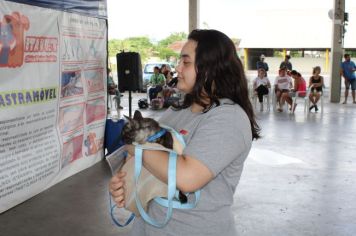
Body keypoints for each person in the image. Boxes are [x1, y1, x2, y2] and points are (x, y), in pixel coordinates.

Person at [109, 29, 260, 236]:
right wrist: (124, 182)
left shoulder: (229, 118)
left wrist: (134, 144)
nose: (177, 68)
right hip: (149, 226)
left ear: (212, 68)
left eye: (186, 62)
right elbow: (149, 158)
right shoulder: (177, 111)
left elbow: (187, 178)